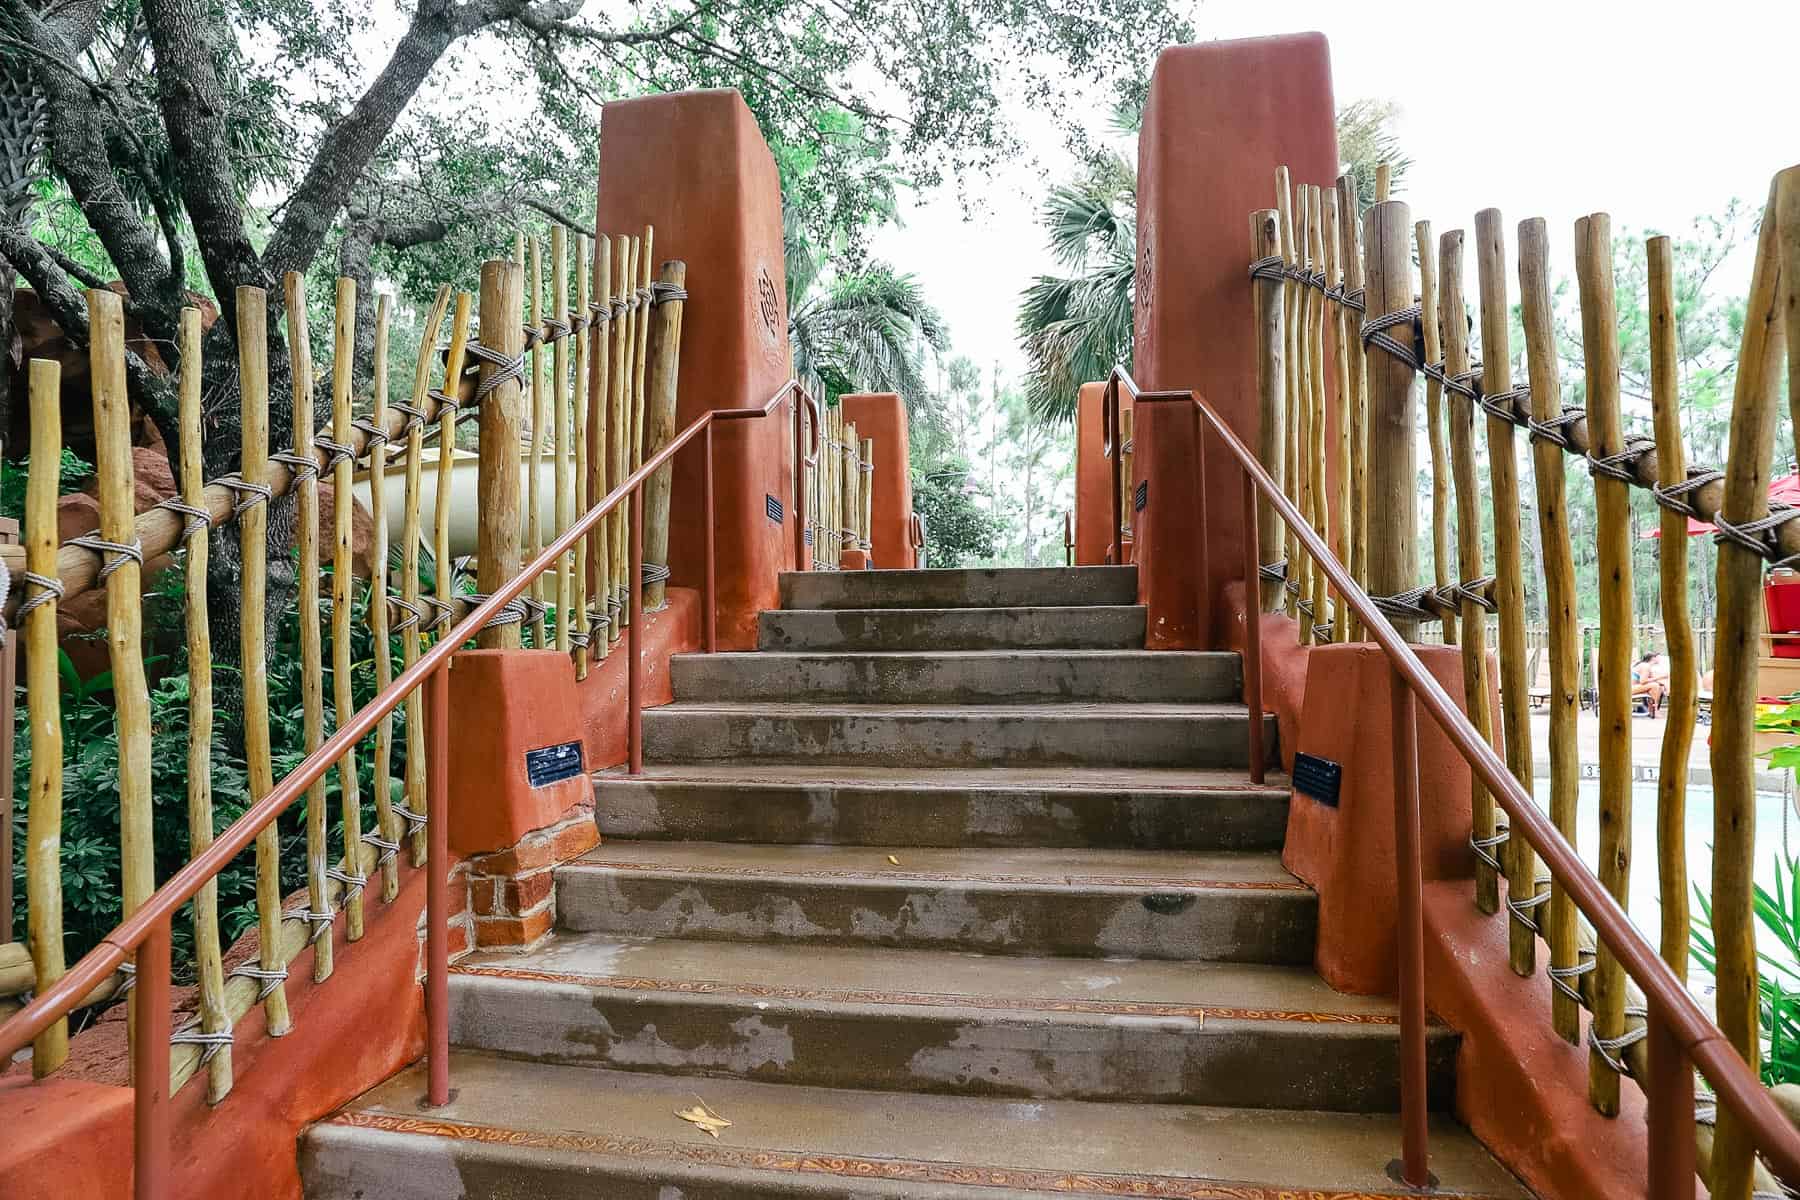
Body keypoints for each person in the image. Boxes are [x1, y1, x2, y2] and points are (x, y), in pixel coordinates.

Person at [1631, 649, 1672, 718]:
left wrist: (1664, 685)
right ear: (1653, 658)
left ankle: (1652, 711)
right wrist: (1661, 677)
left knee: (1659, 687)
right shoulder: (1645, 666)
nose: (1660, 659)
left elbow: (1651, 679)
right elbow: (1643, 681)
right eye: (1658, 657)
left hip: (1636, 687)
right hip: (1630, 688)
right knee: (1655, 686)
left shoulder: (1647, 666)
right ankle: (1655, 711)